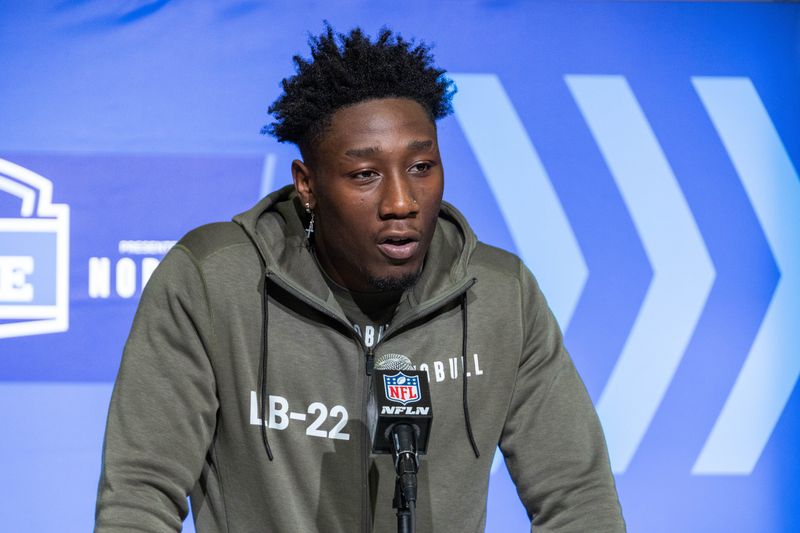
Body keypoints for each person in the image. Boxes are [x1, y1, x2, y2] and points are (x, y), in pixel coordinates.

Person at [95, 25, 625, 532]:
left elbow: (577, 496)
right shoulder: (213, 281)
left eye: (421, 166)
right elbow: (141, 493)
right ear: (307, 184)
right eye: (365, 175)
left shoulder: (500, 294)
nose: (401, 202)